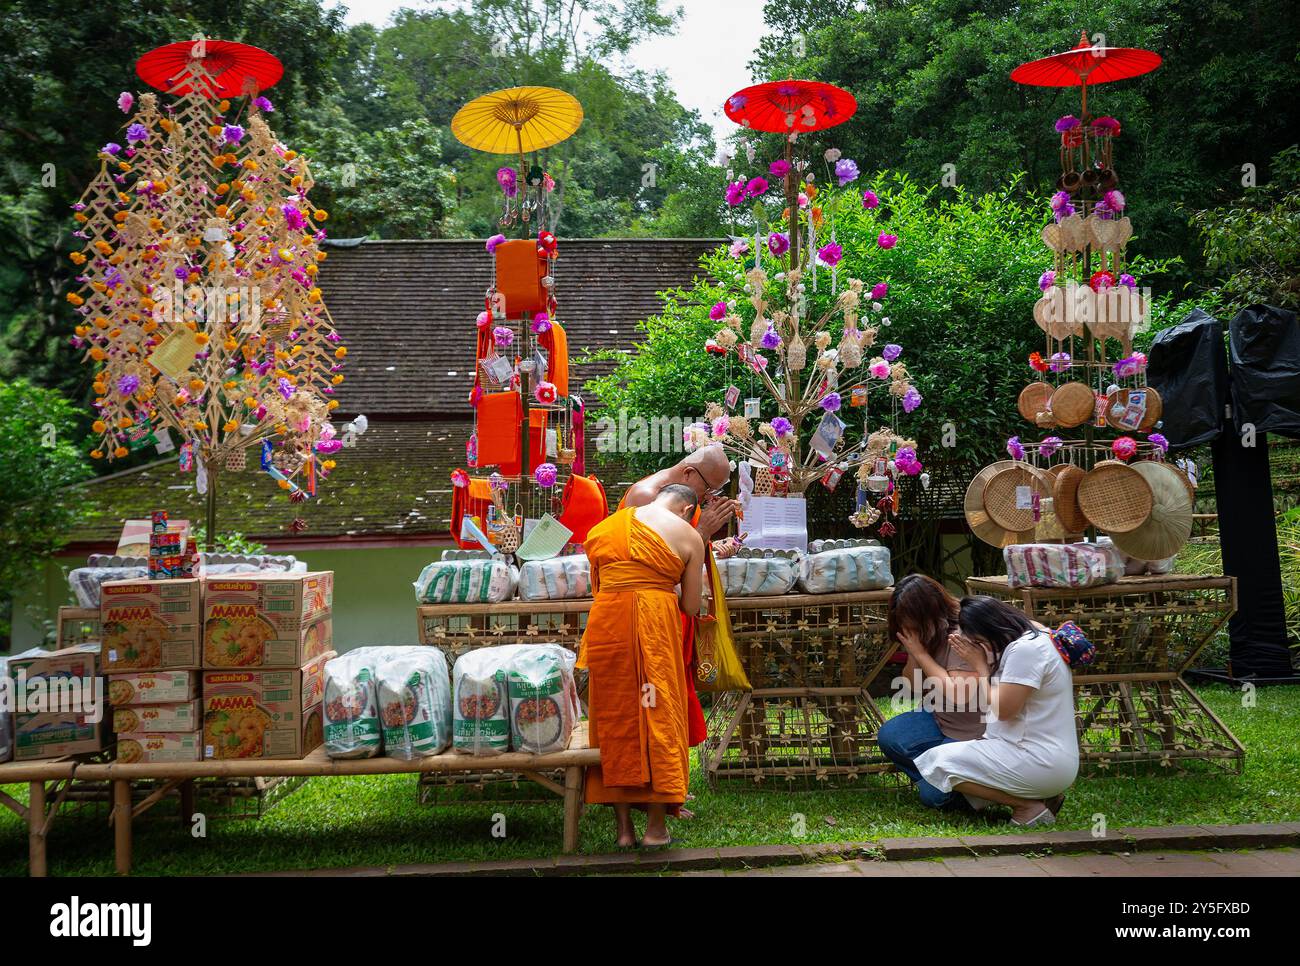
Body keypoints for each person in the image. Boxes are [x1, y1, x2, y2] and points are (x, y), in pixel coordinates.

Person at [578, 483, 705, 849]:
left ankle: (623, 832)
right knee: (658, 712)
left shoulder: (607, 527)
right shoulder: (688, 534)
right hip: (654, 627)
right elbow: (693, 607)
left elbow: (599, 586)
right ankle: (655, 828)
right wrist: (666, 585)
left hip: (609, 625)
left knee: (614, 716)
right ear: (685, 509)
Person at [618, 443, 742, 756]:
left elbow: (684, 556)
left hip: (675, 615)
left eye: (719, 489)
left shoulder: (683, 499)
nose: (710, 497)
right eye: (710, 487)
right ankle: (652, 776)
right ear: (688, 472)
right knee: (652, 698)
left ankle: (669, 782)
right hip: (648, 619)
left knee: (673, 698)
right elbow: (657, 565)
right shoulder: (645, 498)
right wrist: (701, 532)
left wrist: (709, 543)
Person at [914, 596, 1079, 826]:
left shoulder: (1027, 651)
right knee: (938, 785)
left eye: (980, 641)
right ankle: (1044, 797)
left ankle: (1027, 806)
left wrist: (979, 665)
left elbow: (1003, 711)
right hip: (1040, 756)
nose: (982, 647)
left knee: (937, 762)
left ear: (994, 628)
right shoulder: (1038, 636)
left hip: (1038, 759)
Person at [877, 574, 991, 809]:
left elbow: (958, 694)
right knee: (891, 735)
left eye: (914, 626)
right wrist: (914, 650)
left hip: (975, 733)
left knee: (934, 797)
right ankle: (950, 781)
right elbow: (912, 686)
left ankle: (973, 789)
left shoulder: (963, 634)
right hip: (942, 722)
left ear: (932, 613)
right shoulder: (926, 634)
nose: (910, 632)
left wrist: (921, 654)